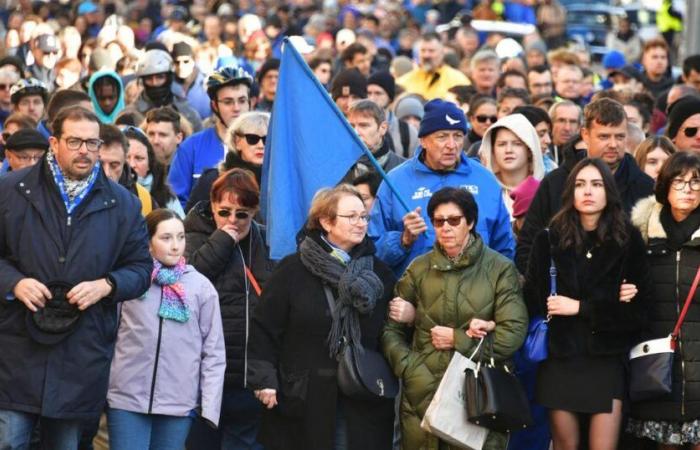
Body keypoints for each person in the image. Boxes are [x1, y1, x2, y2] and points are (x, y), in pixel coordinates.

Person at [0, 106, 152, 449]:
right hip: (16, 347)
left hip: (81, 349)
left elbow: (141, 269)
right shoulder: (11, 190)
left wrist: (107, 285)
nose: (84, 150)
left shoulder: (124, 204)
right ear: (54, 143)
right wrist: (14, 283)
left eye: (92, 143)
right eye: (75, 141)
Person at [246, 184, 395, 449]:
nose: (360, 223)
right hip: (304, 399)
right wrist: (264, 380)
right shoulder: (292, 269)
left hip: (363, 399)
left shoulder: (378, 273)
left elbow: (390, 335)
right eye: (351, 217)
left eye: (364, 216)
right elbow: (264, 329)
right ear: (326, 221)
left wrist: (405, 315)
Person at [383, 186, 528, 450]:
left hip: (477, 395)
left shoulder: (499, 269)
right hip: (421, 394)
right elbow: (391, 328)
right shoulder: (418, 268)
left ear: (470, 222)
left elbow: (514, 333)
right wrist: (408, 366)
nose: (445, 228)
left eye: (454, 220)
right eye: (439, 221)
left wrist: (457, 339)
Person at [523, 158, 652, 450]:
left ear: (609, 191)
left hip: (606, 360)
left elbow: (639, 314)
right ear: (570, 191)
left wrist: (580, 308)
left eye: (596, 184)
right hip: (560, 359)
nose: (588, 191)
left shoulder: (627, 239)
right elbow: (531, 301)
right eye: (580, 184)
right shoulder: (548, 239)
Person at [106, 209, 225, 450]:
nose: (175, 246)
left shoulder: (201, 287)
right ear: (148, 243)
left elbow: (213, 351)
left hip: (178, 403)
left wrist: (209, 407)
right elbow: (109, 336)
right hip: (126, 398)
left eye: (181, 237)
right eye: (166, 238)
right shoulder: (131, 282)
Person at [368, 99, 514, 277]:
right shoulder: (396, 181)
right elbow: (372, 251)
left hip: (477, 296)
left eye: (458, 136)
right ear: (423, 140)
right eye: (442, 136)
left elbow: (504, 248)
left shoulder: (484, 179)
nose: (451, 145)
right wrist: (403, 240)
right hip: (415, 297)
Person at [184, 168, 274, 449]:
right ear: (212, 206)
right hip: (203, 374)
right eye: (224, 212)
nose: (232, 220)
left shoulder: (265, 240)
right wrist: (224, 239)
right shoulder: (193, 233)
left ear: (254, 211)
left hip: (248, 375)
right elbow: (192, 277)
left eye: (242, 214)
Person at [516, 98, 655, 273]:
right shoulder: (556, 183)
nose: (613, 144)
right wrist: (548, 288)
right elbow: (528, 246)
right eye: (604, 136)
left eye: (619, 136)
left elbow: (656, 255)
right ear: (585, 135)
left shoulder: (645, 187)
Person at [628, 151, 700, 449]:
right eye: (679, 181)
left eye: (696, 182)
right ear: (665, 186)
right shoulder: (641, 235)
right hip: (658, 362)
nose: (688, 189)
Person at [168, 65, 253, 208]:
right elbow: (175, 203)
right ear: (214, 105)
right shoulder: (191, 147)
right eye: (228, 102)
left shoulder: (264, 147)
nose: (237, 108)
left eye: (242, 100)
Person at [185, 111, 269, 213]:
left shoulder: (282, 182)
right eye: (252, 139)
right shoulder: (212, 179)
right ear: (237, 141)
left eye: (267, 140)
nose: (261, 145)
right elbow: (192, 223)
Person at [480, 113, 546, 219]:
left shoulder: (545, 192)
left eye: (517, 144)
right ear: (492, 151)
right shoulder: (482, 191)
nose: (509, 150)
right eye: (502, 144)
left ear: (529, 150)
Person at [133, 49, 202, 133]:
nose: (154, 83)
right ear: (142, 81)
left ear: (169, 78)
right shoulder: (130, 114)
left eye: (160, 77)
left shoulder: (188, 114)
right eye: (149, 78)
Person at [123, 126, 184, 218]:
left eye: (139, 158)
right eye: (126, 157)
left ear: (149, 164)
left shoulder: (165, 195)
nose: (132, 165)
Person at [343, 99, 405, 181]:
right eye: (351, 126)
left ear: (383, 128)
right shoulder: (335, 167)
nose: (355, 132)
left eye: (363, 125)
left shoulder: (403, 168)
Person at [396, 32, 471, 100]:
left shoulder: (458, 80)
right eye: (423, 50)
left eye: (431, 51)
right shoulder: (404, 81)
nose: (426, 55)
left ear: (442, 53)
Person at [367, 71, 419, 158]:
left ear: (390, 97)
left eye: (378, 93)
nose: (372, 98)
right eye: (369, 93)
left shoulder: (408, 131)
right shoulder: (358, 129)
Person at [172, 42, 211, 120]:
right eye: (177, 62)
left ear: (194, 60)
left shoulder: (207, 82)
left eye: (186, 61)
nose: (181, 66)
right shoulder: (168, 84)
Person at [549, 101, 582, 165]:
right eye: (561, 121)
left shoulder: (585, 155)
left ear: (579, 127)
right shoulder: (541, 153)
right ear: (550, 124)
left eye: (573, 122)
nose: (567, 128)